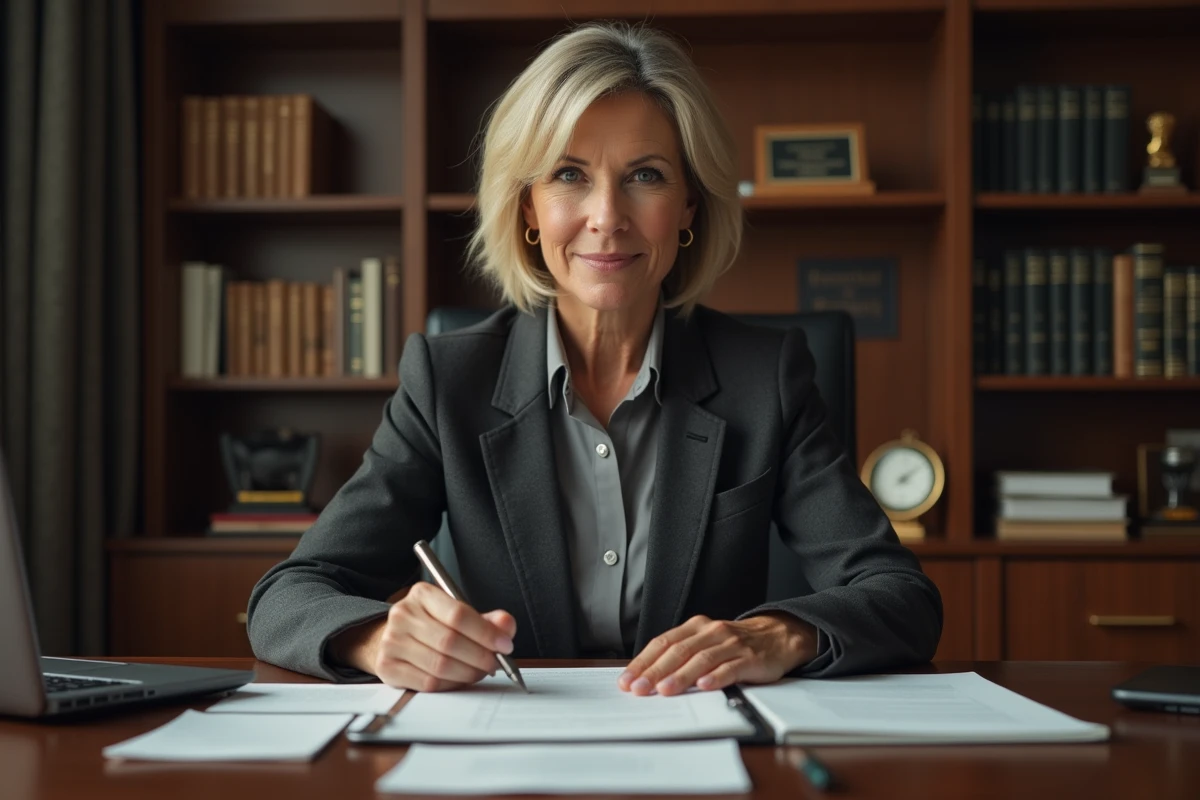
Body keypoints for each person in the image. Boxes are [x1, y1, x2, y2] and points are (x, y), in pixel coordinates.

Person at [247, 22, 942, 697]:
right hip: (509, 739)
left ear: (689, 206)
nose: (607, 215)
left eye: (645, 174)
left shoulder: (766, 378)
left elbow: (900, 595)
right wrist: (377, 640)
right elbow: (287, 596)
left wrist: (777, 634)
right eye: (569, 174)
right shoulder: (446, 381)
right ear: (528, 207)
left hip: (696, 735)